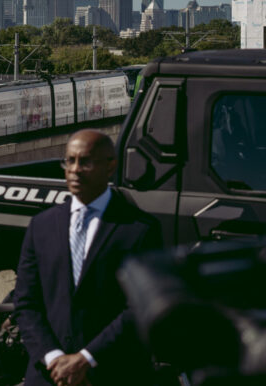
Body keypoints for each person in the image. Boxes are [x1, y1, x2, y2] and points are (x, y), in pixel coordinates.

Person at [13, 129, 163, 386]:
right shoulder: (41, 226)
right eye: (69, 161)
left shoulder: (139, 229)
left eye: (86, 161)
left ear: (110, 166)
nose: (75, 169)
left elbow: (140, 306)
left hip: (113, 373)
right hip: (50, 375)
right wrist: (54, 359)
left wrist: (85, 359)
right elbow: (26, 303)